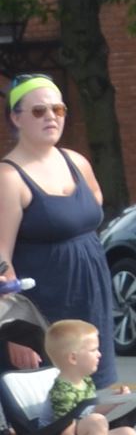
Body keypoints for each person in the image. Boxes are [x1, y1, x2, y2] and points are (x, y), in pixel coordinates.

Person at [0, 76, 122, 388]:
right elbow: (1, 259)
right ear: (16, 117)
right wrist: (17, 333)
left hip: (92, 298)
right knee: (54, 409)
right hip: (44, 312)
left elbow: (92, 208)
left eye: (58, 109)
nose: (51, 116)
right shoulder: (9, 177)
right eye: (39, 111)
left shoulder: (77, 163)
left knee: (98, 393)